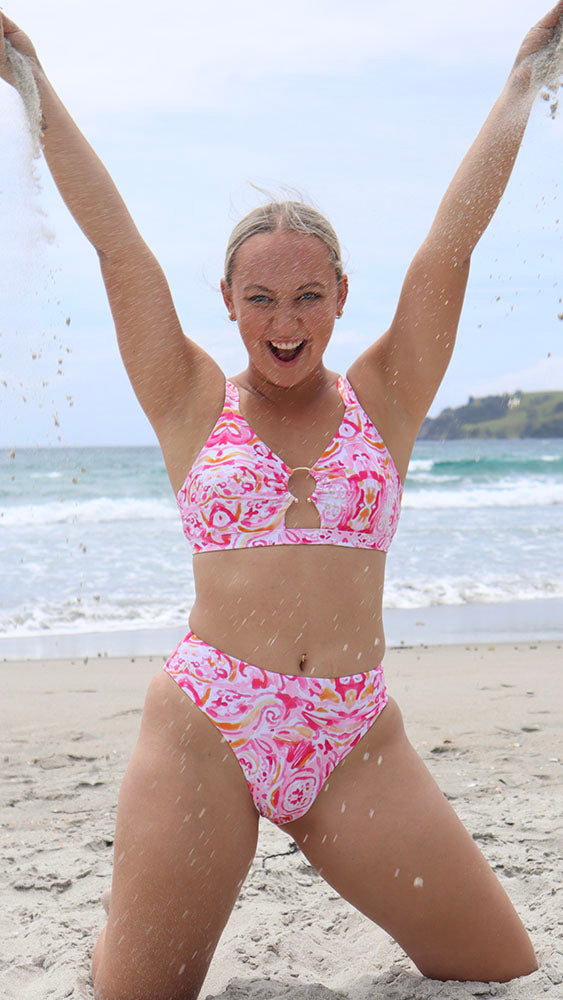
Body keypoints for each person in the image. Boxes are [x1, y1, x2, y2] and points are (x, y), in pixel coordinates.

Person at [2, 5, 560, 998]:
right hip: (209, 723)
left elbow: (448, 250)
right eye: (260, 298)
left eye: (306, 294)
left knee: (497, 968)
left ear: (340, 294)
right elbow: (120, 251)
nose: (285, 320)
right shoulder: (188, 397)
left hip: (351, 734)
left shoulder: (383, 399)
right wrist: (33, 84)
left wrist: (520, 83)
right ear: (226, 300)